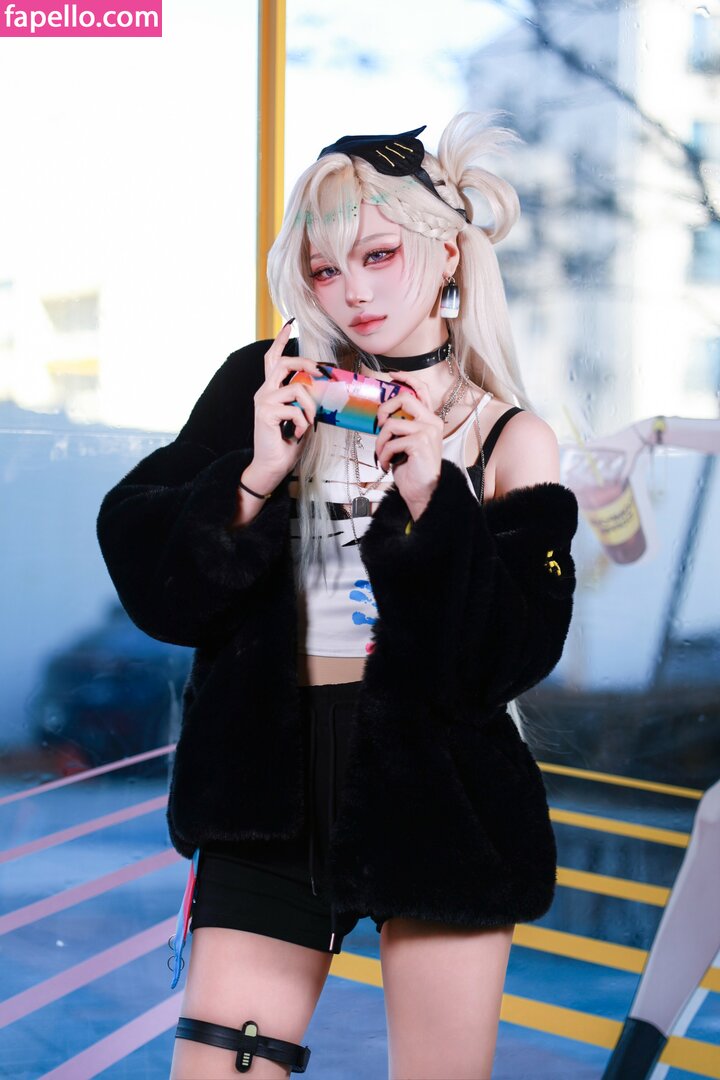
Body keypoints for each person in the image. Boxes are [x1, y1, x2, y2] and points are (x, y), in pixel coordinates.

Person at [97, 113, 579, 1079]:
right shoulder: (265, 387)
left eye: (378, 255)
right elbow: (155, 584)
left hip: (440, 804)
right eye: (324, 269)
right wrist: (255, 474)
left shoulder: (509, 438)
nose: (352, 290)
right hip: (268, 791)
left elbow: (506, 658)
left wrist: (433, 497)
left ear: (448, 254)